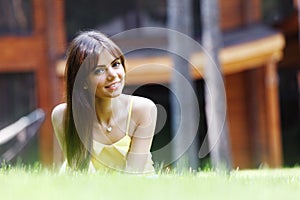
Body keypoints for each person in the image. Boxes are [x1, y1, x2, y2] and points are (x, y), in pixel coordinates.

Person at [51, 30, 157, 174]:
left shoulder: (143, 110)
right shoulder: (63, 116)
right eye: (99, 71)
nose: (113, 75)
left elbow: (134, 176)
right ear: (82, 81)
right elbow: (83, 176)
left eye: (116, 64)